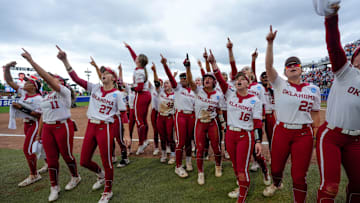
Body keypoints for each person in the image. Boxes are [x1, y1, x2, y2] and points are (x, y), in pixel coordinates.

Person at [57, 46, 130, 203]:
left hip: (106, 127)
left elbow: (124, 114)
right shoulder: (95, 87)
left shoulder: (118, 94)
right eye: (102, 72)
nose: (103, 74)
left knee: (107, 160)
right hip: (91, 126)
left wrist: (127, 134)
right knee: (83, 160)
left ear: (114, 78)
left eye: (107, 72)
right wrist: (65, 60)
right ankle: (101, 174)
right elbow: (76, 79)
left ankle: (108, 191)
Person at [262, 26, 321, 202]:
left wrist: (316, 135)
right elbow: (268, 66)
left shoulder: (313, 89)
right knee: (276, 168)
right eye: (289, 66)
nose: (292, 67)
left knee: (299, 175)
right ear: (285, 71)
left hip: (303, 133)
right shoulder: (280, 84)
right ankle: (276, 183)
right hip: (282, 131)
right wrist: (270, 43)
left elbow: (316, 114)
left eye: (296, 65)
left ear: (302, 70)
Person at [21, 48, 81, 202]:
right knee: (51, 159)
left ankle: (75, 177)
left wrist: (31, 61)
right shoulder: (46, 97)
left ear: (60, 82)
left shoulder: (65, 92)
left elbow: (45, 77)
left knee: (67, 155)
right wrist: (40, 133)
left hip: (63, 126)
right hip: (48, 127)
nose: (51, 80)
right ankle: (54, 187)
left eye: (55, 79)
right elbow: (42, 116)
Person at [316, 4, 360, 202]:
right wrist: (331, 18)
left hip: (356, 140)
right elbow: (333, 45)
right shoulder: (346, 71)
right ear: (354, 58)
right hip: (332, 135)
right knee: (330, 187)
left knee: (359, 186)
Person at [210, 49, 263, 203]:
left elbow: (258, 123)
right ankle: (240, 186)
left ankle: (241, 198)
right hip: (230, 135)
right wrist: (213, 64)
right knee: (234, 165)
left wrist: (258, 141)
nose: (239, 80)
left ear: (249, 82)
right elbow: (219, 79)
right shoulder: (230, 94)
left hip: (244, 135)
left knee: (242, 168)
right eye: (237, 79)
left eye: (243, 78)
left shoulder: (255, 100)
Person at [226, 38, 270, 185]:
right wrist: (230, 51)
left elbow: (262, 107)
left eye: (247, 72)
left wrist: (261, 124)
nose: (244, 73)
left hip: (252, 124)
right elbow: (233, 69)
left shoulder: (257, 87)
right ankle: (242, 178)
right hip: (239, 124)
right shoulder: (236, 89)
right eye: (242, 72)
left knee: (256, 153)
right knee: (241, 154)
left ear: (250, 76)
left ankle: (264, 170)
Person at [4, 61, 43, 187]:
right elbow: (10, 81)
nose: (25, 83)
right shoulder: (24, 93)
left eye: (28, 82)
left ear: (34, 86)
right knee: (34, 147)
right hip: (26, 124)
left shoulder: (38, 99)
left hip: (34, 124)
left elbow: (38, 115)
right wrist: (8, 68)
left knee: (27, 149)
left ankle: (34, 174)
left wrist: (21, 108)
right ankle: (47, 163)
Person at [187, 52, 222, 185]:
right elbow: (190, 81)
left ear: (214, 81)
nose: (206, 79)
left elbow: (219, 110)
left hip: (212, 123)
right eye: (205, 78)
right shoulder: (198, 91)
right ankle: (200, 172)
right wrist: (188, 68)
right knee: (200, 149)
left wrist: (222, 123)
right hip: (200, 123)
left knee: (216, 147)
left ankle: (218, 165)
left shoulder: (218, 95)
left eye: (209, 78)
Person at [161, 54, 195, 178]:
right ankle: (178, 166)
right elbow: (170, 77)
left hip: (191, 116)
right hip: (180, 115)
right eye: (181, 79)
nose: (182, 81)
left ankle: (188, 161)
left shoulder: (195, 91)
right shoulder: (178, 88)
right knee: (180, 141)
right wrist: (165, 65)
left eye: (185, 78)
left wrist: (188, 68)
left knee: (188, 140)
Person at [124, 42, 151, 155]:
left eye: (137, 59)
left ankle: (141, 144)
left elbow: (139, 87)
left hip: (141, 96)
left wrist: (131, 86)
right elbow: (134, 56)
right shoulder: (141, 69)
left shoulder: (139, 72)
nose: (135, 59)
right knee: (143, 120)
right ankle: (144, 140)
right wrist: (129, 48)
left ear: (140, 61)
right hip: (145, 95)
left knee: (139, 121)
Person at [150, 61, 176, 164]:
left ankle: (173, 155)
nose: (165, 84)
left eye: (167, 83)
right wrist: (155, 71)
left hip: (169, 117)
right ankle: (164, 153)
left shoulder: (175, 94)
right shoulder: (160, 92)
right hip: (160, 116)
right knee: (162, 136)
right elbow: (156, 82)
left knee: (170, 136)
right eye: (164, 83)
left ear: (171, 84)